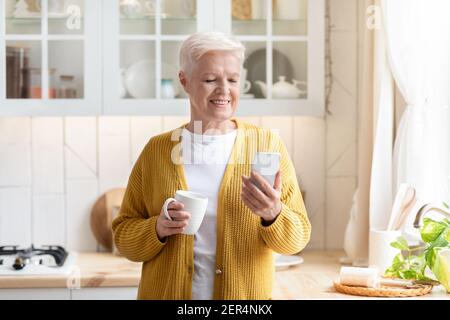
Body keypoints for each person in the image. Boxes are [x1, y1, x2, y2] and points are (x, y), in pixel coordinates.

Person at [112, 32, 311, 300]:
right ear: (185, 81)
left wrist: (273, 213)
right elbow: (124, 237)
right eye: (210, 80)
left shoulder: (266, 145)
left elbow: (296, 240)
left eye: (232, 80)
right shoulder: (157, 151)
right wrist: (158, 228)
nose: (224, 91)